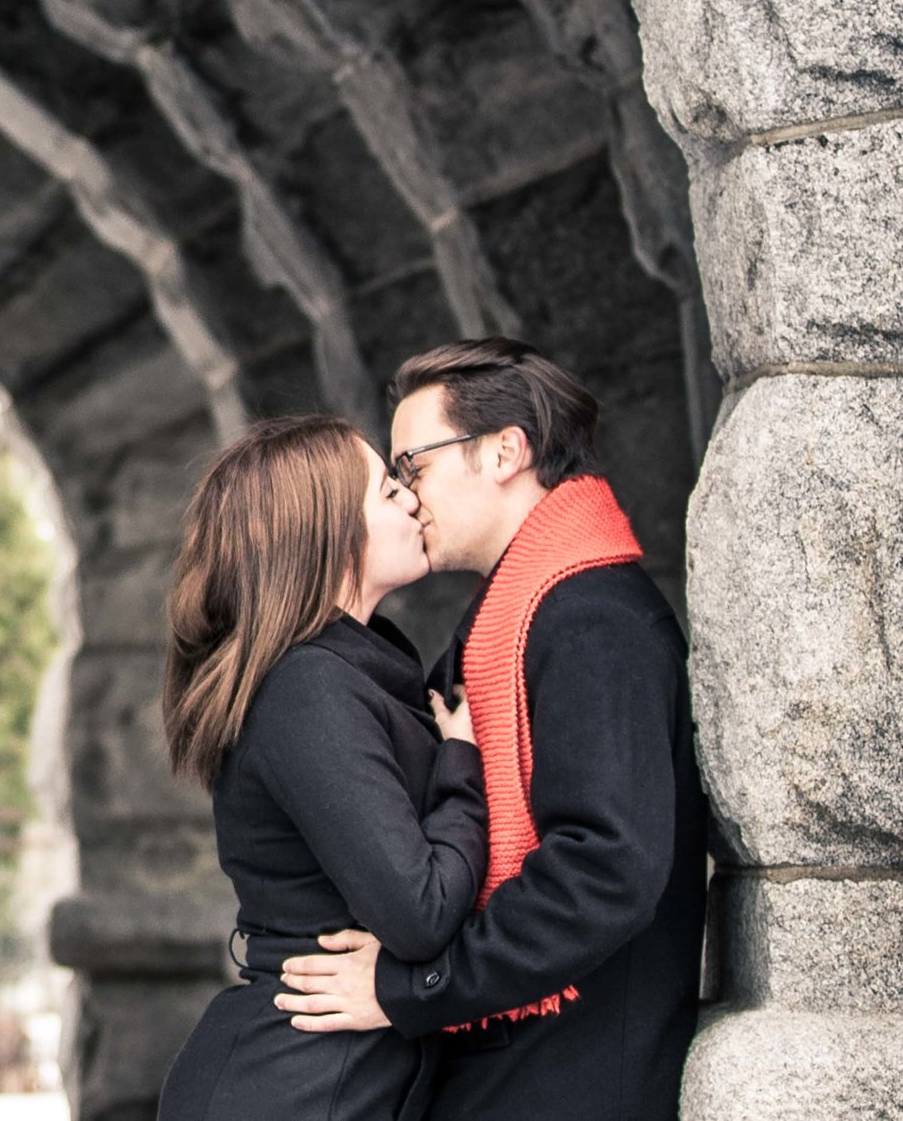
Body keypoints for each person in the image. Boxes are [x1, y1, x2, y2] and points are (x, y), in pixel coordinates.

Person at [274, 339, 708, 1121]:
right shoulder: (512, 618)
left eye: (415, 466)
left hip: (570, 1081)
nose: (407, 497)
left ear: (506, 450)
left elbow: (606, 869)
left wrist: (410, 987)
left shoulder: (592, 622)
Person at [157, 414, 487, 1121]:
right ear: (328, 532)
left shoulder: (352, 672)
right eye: (383, 489)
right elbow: (421, 911)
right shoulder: (309, 688)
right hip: (296, 1087)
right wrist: (463, 761)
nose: (409, 497)